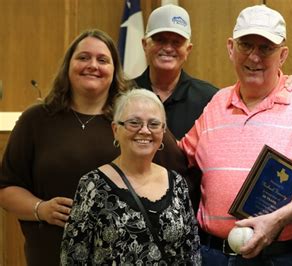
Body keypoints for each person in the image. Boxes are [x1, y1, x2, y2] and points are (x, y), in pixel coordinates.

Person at [178, 5, 292, 265]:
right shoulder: (216, 103)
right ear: (230, 48)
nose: (254, 57)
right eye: (246, 45)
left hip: (277, 257)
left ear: (282, 55)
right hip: (211, 255)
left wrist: (277, 220)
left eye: (266, 48)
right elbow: (180, 157)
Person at [0, 29, 188, 266]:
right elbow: (6, 187)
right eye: (83, 57)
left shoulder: (133, 120)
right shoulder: (36, 120)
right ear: (68, 65)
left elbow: (178, 184)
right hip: (50, 255)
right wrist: (40, 209)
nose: (93, 65)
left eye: (102, 60)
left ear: (114, 69)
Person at [60, 89, 200, 264]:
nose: (144, 131)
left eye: (154, 124)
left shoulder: (177, 184)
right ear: (115, 130)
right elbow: (73, 257)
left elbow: (191, 254)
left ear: (163, 131)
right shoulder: (92, 185)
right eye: (134, 123)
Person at [135, 4, 292, 140]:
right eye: (160, 40)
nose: (167, 48)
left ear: (188, 49)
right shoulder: (122, 93)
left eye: (265, 48)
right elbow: (183, 152)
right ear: (144, 45)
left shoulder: (210, 98)